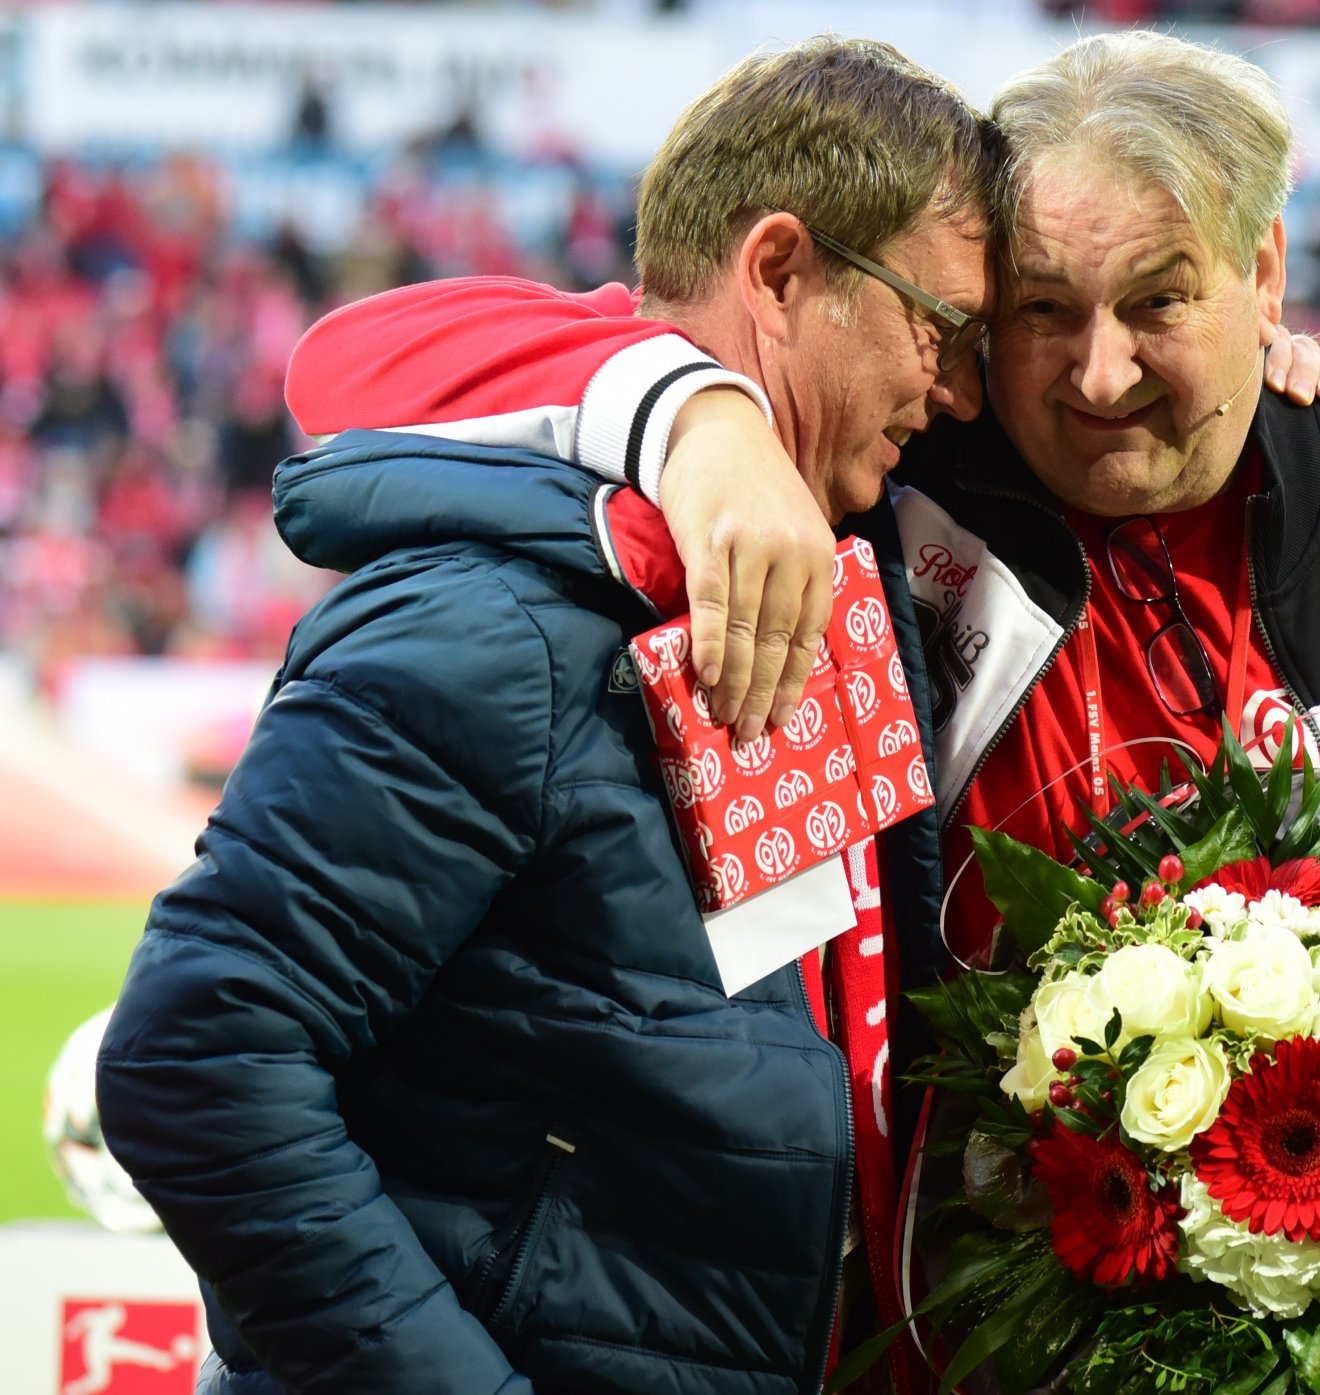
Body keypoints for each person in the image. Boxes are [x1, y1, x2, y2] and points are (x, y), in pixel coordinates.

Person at [286, 31, 1320, 1395]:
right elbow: (359, 358)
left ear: (1266, 274)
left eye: (1162, 299)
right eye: (1042, 311)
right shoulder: (883, 512)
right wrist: (697, 424)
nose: (1101, 374)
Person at [94, 38, 1004, 1395]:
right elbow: (195, 1059)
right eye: (935, 327)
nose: (956, 391)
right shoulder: (494, 630)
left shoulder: (825, 580)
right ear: (778, 273)